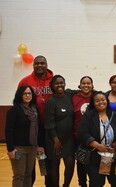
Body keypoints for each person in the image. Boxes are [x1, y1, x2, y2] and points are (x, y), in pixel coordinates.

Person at [78, 91, 116, 187]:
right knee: (96, 183)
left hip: (114, 157)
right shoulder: (88, 116)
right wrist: (97, 145)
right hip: (94, 157)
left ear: (107, 101)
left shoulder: (115, 115)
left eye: (103, 100)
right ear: (93, 103)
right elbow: (82, 133)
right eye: (97, 101)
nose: (101, 102)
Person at [17, 55, 53, 187]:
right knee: (30, 164)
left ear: (46, 65)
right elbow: (18, 104)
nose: (39, 65)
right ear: (33, 65)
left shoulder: (54, 81)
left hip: (49, 128)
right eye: (37, 63)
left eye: (42, 63)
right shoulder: (25, 81)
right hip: (30, 129)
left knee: (47, 163)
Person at [5, 85, 44, 187]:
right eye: (25, 93)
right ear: (20, 95)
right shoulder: (14, 110)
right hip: (18, 149)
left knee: (28, 174)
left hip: (32, 148)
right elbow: (9, 130)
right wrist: (11, 149)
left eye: (29, 93)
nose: (27, 95)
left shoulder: (35, 110)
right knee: (19, 175)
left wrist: (40, 145)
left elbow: (39, 129)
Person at [44, 75, 75, 187]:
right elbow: (49, 124)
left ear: (65, 83)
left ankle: (66, 185)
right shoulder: (50, 101)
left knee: (70, 163)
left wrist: (96, 91)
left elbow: (82, 90)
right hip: (54, 139)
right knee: (54, 165)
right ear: (52, 86)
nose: (59, 85)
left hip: (69, 139)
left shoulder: (69, 94)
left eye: (61, 83)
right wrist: (56, 140)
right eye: (56, 83)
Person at [72, 76, 95, 187]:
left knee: (92, 163)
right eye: (83, 83)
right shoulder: (74, 97)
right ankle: (82, 184)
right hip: (78, 136)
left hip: (93, 137)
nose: (86, 85)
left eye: (88, 83)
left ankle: (93, 183)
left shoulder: (96, 97)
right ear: (80, 85)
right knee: (80, 163)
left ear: (92, 85)